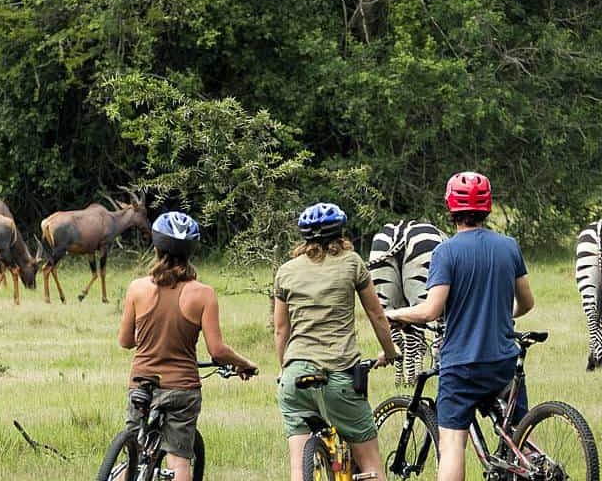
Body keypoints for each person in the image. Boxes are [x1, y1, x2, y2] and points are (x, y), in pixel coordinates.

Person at [385, 172, 536, 481]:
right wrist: (504, 318)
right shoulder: (509, 246)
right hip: (504, 361)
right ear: (488, 207)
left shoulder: (446, 252)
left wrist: (397, 313)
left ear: (450, 207)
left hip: (462, 364)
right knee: (518, 434)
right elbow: (527, 303)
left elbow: (431, 310)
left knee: (453, 442)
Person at [118, 211, 258, 481]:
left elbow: (125, 342)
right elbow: (217, 350)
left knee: (133, 455)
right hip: (181, 389)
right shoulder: (204, 294)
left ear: (156, 246)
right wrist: (244, 364)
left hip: (142, 385)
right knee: (179, 462)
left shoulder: (137, 288)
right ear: (191, 250)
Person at [274, 202, 398, 481]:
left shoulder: (286, 271)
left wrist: (283, 370)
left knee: (298, 468)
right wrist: (390, 351)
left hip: (295, 377)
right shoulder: (352, 263)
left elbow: (281, 330)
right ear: (341, 234)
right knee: (371, 464)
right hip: (338, 375)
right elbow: (377, 315)